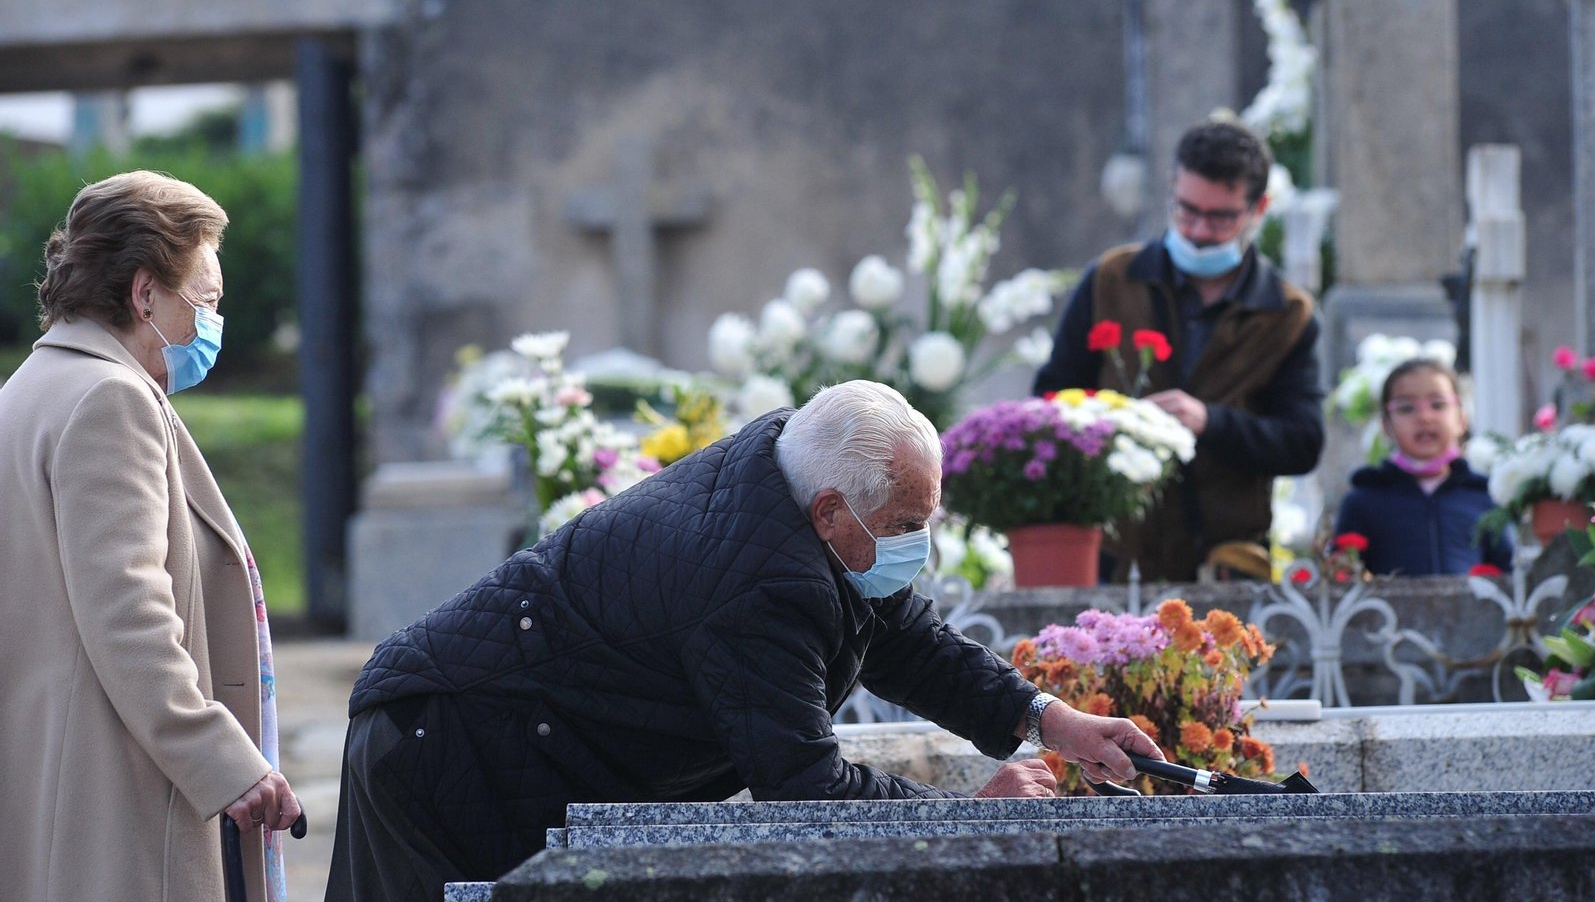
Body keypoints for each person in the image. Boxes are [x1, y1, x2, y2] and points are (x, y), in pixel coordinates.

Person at [326, 380, 1163, 901]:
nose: (920, 543)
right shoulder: (760, 584)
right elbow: (806, 789)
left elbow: (905, 635)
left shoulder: (792, 472)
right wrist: (966, 811)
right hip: (442, 749)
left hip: (507, 740)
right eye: (908, 524)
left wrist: (1050, 721)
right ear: (832, 511)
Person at [0, 172, 302, 902]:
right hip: (118, 799)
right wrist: (223, 761)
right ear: (144, 294)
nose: (211, 320)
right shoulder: (111, 398)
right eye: (206, 299)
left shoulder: (29, 389)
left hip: (50, 784)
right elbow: (129, 610)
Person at [1033, 119, 1325, 581]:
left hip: (1227, 563)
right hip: (1114, 553)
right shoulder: (1112, 278)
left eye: (1220, 217)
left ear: (1259, 208)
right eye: (1186, 210)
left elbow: (1302, 443)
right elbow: (1050, 398)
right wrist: (1115, 426)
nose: (1198, 231)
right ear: (1171, 189)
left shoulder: (1287, 314)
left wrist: (1210, 422)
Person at [1333, 358, 1515, 576]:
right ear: (1386, 425)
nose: (1424, 417)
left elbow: (1508, 576)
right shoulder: (1363, 500)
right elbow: (1342, 579)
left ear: (1462, 419)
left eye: (1438, 405)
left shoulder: (1484, 498)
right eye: (1407, 408)